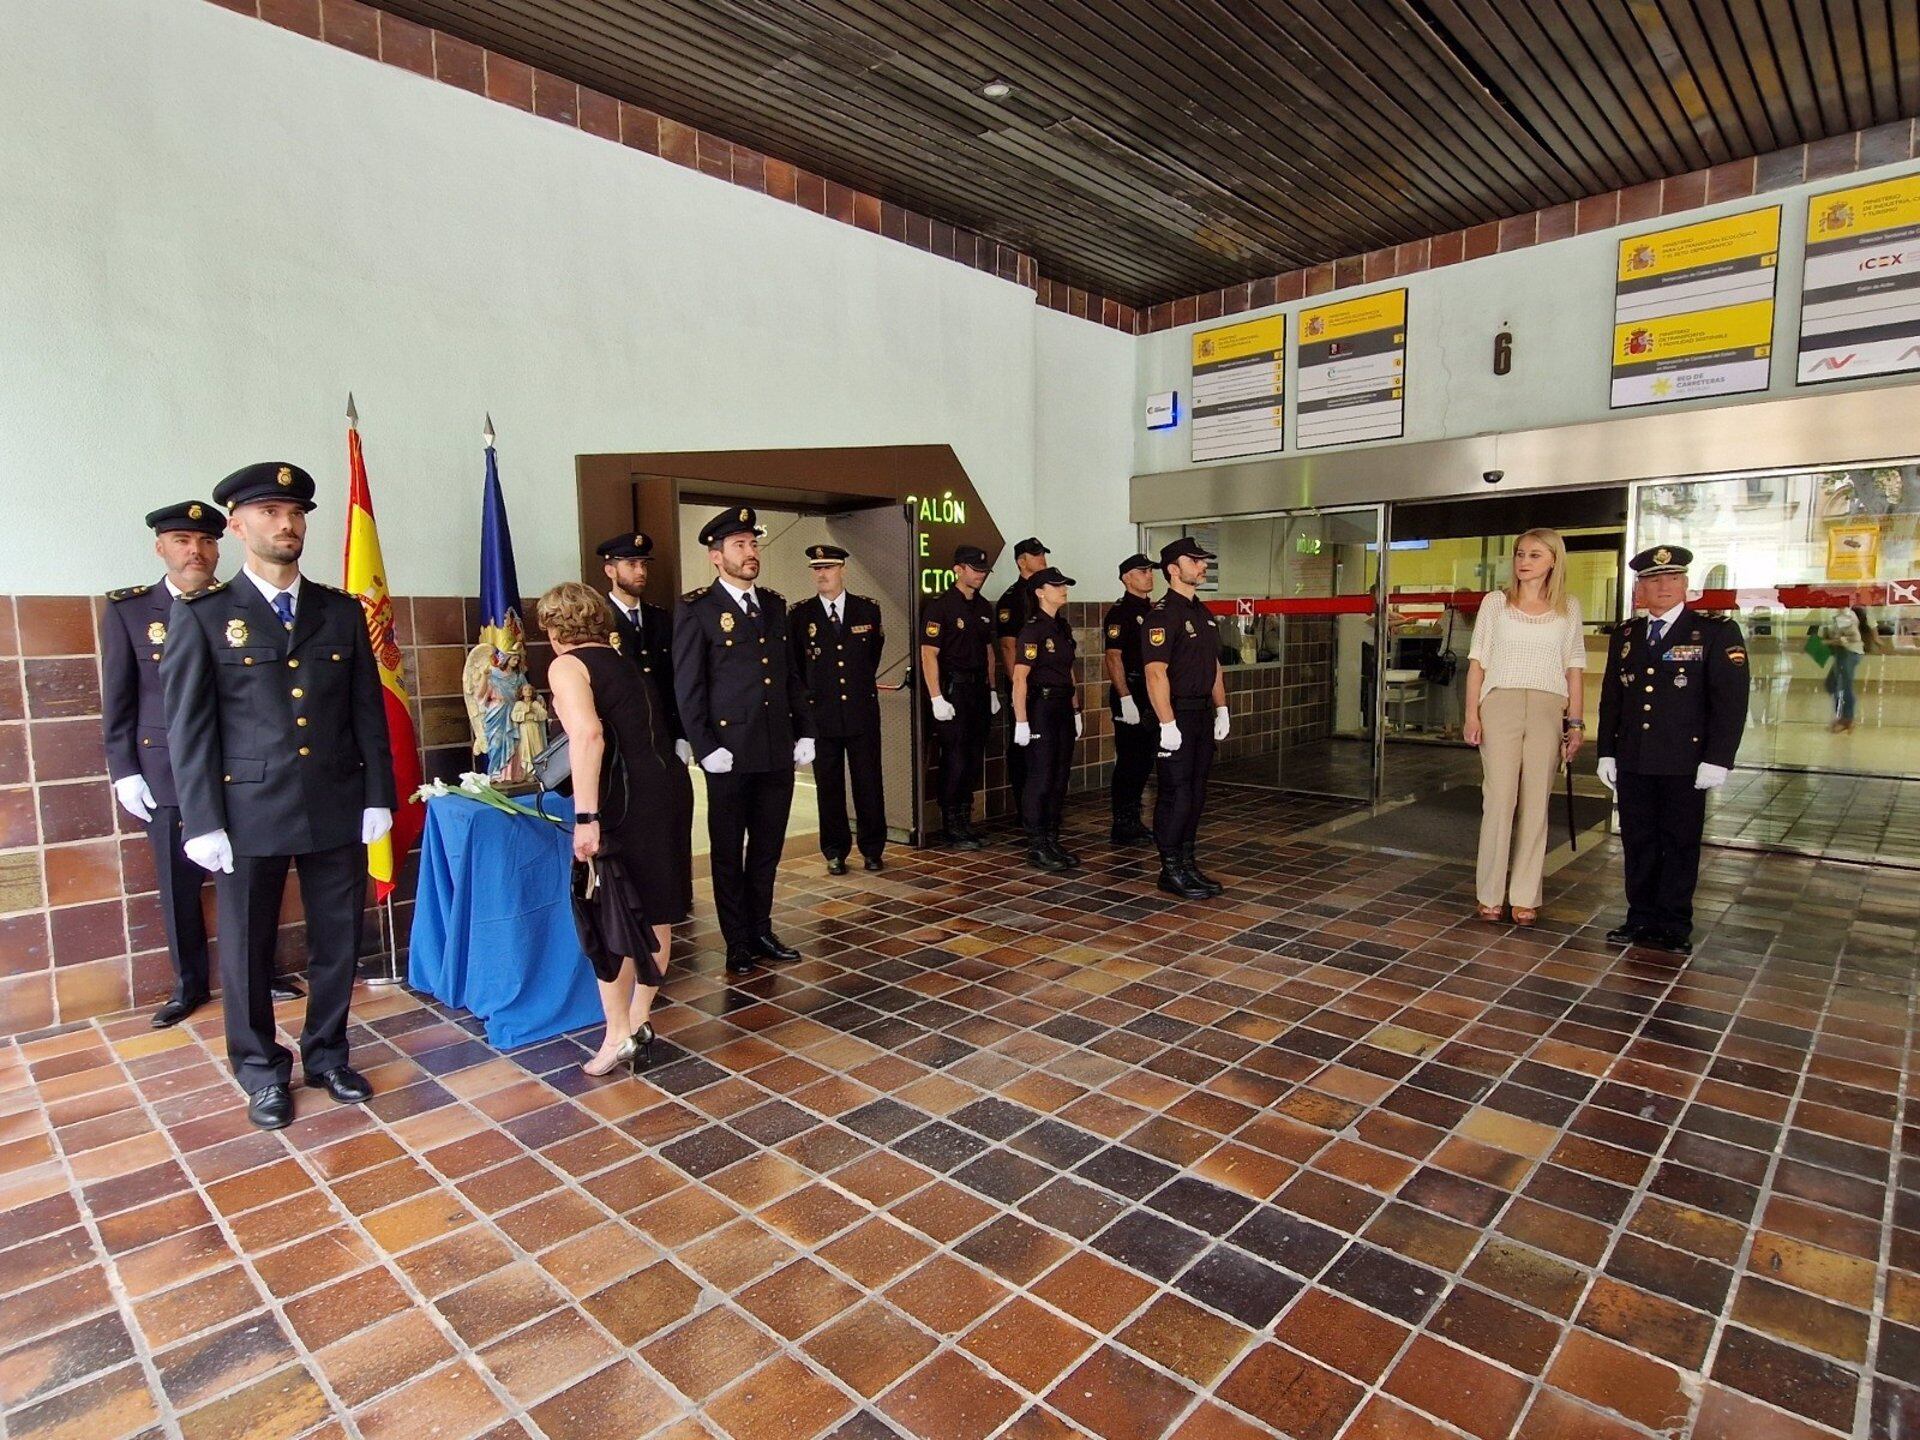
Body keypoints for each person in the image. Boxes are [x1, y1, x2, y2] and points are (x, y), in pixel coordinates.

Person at [161, 463, 394, 1130]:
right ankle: (261, 1070)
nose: (286, 524)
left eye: (295, 512)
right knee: (245, 947)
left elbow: (366, 714)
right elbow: (190, 727)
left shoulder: (341, 611)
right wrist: (202, 819)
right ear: (236, 525)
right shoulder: (205, 616)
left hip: (334, 801)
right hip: (247, 811)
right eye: (268, 512)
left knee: (337, 942)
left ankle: (326, 1054)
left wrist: (377, 794)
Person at [103, 501, 302, 1028]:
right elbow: (119, 698)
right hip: (168, 773)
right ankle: (189, 984)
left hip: (247, 774)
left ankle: (267, 970)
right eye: (182, 541)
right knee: (179, 883)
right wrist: (123, 769)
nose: (196, 551)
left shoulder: (244, 606)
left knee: (259, 880)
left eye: (206, 541)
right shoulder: (129, 611)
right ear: (160, 547)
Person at [539, 581, 690, 1075]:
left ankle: (616, 1035)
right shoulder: (626, 662)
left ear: (555, 628)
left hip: (621, 803)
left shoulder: (567, 664)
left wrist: (585, 816)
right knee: (657, 908)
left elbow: (588, 734)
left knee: (610, 917)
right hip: (666, 790)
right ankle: (638, 1021)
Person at [673, 506, 813, 976]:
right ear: (717, 557)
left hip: (775, 749)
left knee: (768, 846)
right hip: (728, 754)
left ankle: (761, 927)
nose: (751, 553)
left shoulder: (773, 605)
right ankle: (736, 940)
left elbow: (790, 674)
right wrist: (704, 745)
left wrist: (805, 730)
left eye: (753, 544)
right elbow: (688, 687)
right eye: (740, 546)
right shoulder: (697, 609)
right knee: (728, 849)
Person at [1595, 545, 1749, 955]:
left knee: (1679, 841)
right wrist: (1606, 750)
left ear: (1685, 585)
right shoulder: (1627, 635)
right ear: (1640, 589)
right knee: (1639, 839)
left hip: (1685, 761)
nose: (1662, 586)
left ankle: (1674, 924)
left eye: (1671, 578)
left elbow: (1730, 700)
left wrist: (1718, 758)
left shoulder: (1714, 631)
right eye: (1652, 580)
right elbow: (1613, 697)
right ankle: (1640, 916)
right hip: (1635, 758)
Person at [1461, 528, 1586, 927]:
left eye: (1534, 554)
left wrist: (1577, 722)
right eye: (1519, 554)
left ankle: (1526, 895)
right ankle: (1490, 893)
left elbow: (1574, 670)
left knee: (1537, 801)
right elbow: (1477, 663)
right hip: (1501, 702)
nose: (1524, 561)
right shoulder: (1495, 604)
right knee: (1499, 799)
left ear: (1553, 561)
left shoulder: (1568, 607)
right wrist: (1471, 714)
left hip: (1549, 705)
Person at [790, 544, 887, 874]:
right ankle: (834, 850)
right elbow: (798, 670)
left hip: (861, 713)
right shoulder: (800, 615)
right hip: (822, 716)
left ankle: (873, 848)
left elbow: (870, 657)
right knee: (829, 787)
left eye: (828, 567)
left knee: (868, 783)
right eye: (816, 568)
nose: (821, 574)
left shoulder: (867, 611)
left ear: (842, 569)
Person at [1142, 537, 1230, 900]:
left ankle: (1188, 862)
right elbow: (1155, 673)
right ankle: (1170, 868)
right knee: (1175, 793)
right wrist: (1166, 723)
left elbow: (1215, 667)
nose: (1202, 565)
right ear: (1173, 570)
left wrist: (1222, 708)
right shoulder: (1162, 615)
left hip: (1200, 714)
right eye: (1194, 561)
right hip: (1174, 714)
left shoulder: (1202, 613)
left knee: (1195, 792)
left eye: (1203, 560)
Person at [920, 544, 999, 847]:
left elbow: (989, 652)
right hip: (953, 689)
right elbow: (929, 655)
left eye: (983, 571)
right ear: (958, 569)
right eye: (975, 570)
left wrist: (992, 689)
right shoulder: (940, 606)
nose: (980, 576)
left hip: (978, 689)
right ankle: (952, 823)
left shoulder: (982, 607)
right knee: (954, 758)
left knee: (972, 755)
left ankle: (965, 819)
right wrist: (936, 697)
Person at [1012, 566, 1083, 871]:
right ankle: (1037, 843)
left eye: (1064, 584)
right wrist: (1022, 720)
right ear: (1040, 592)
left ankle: (1052, 838)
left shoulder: (1061, 628)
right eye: (1057, 586)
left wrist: (1077, 710)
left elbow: (1068, 671)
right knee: (1040, 777)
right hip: (1040, 708)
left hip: (1062, 707)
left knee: (1059, 776)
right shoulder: (1032, 629)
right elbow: (1019, 679)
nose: (1063, 589)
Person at [596, 532, 689, 761]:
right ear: (610, 570)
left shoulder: (660, 618)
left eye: (643, 565)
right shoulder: (598, 621)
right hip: (621, 740)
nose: (641, 572)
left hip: (664, 734)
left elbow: (674, 679)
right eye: (631, 564)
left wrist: (681, 734)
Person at [1102, 554, 1157, 846]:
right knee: (1129, 760)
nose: (1149, 575)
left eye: (1150, 571)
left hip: (1151, 691)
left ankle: (1134, 818)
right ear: (1126, 577)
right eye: (1142, 571)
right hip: (1131, 691)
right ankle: (1122, 823)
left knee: (1145, 759)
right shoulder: (1120, 613)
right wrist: (1125, 698)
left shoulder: (1153, 610)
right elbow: (1113, 657)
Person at [995, 537, 1051, 827]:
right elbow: (1007, 648)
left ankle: (1042, 810)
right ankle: (1025, 811)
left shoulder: (1044, 593)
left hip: (1048, 685)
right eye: (1036, 554)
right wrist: (1019, 687)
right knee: (1024, 748)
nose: (1042, 558)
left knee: (1046, 751)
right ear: (1021, 561)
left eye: (1043, 553)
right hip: (1025, 686)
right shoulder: (1013, 598)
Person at [1822, 605, 1869, 733]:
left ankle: (1846, 719)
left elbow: (1854, 637)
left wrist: (1828, 642)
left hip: (1849, 652)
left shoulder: (1844, 615)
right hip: (1843, 653)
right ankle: (1844, 717)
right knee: (1831, 684)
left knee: (1843, 686)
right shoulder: (1837, 613)